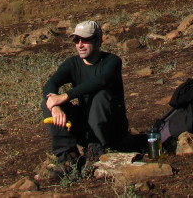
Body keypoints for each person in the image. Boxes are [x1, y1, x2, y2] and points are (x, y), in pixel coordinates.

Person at [41, 20, 128, 178]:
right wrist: (55, 106)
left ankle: (95, 151)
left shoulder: (112, 61)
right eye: (76, 40)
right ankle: (68, 157)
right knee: (47, 101)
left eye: (85, 40)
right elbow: (50, 84)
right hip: (86, 128)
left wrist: (64, 96)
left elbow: (100, 81)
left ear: (99, 40)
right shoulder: (72, 63)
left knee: (100, 94)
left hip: (112, 129)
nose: (80, 45)